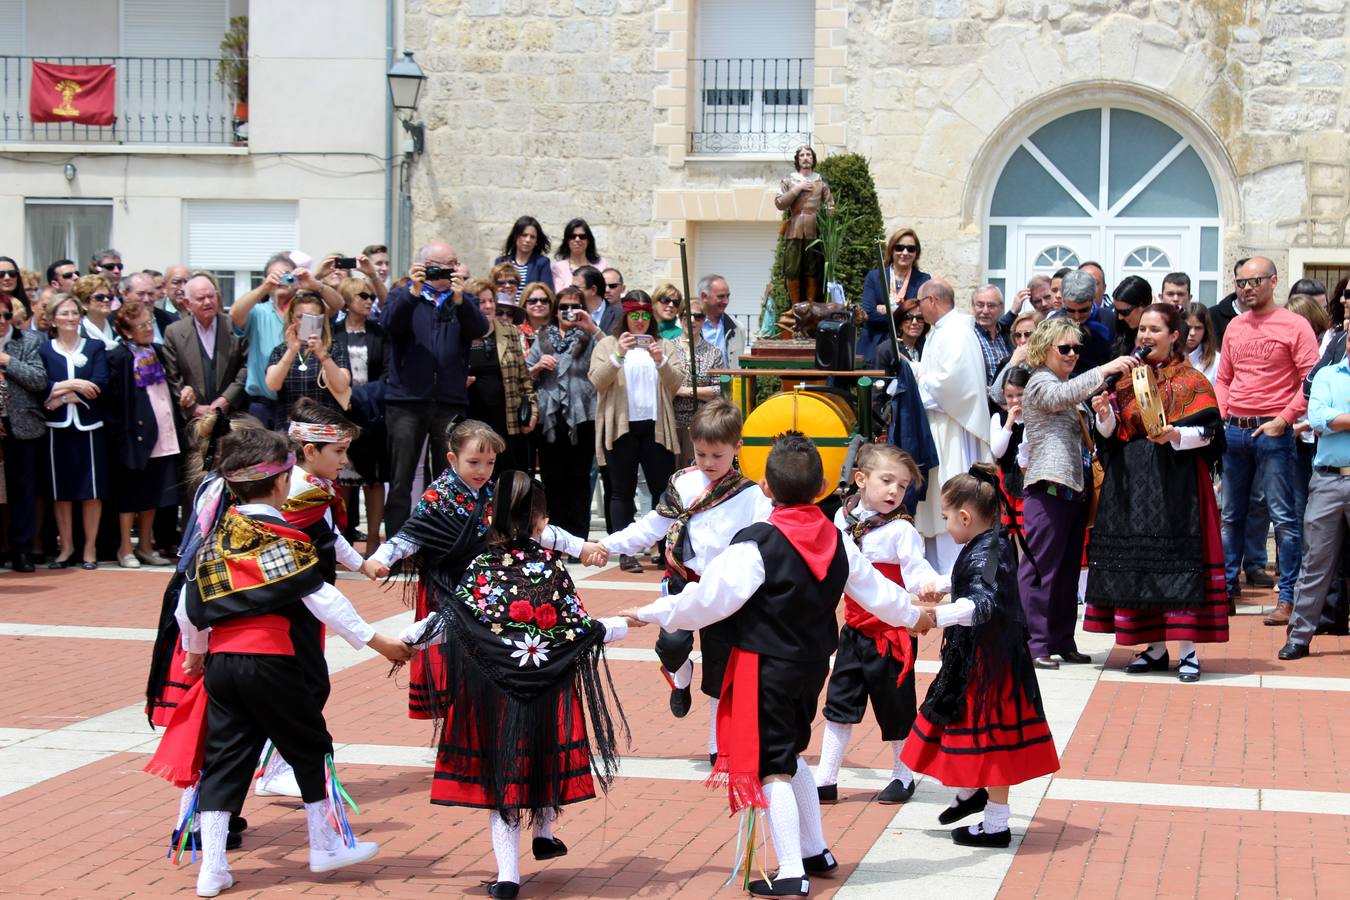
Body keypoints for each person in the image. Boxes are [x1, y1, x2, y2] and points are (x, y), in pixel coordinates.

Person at [622, 433, 935, 898]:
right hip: (811, 667)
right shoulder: (838, 539)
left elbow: (707, 602)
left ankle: (791, 871)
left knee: (773, 768)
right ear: (826, 484)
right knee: (789, 754)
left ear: (765, 487)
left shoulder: (756, 544)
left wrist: (650, 613)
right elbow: (877, 592)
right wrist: (915, 616)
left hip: (764, 668)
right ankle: (815, 850)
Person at [165, 428, 411, 897]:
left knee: (224, 761)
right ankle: (325, 845)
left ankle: (212, 867)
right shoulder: (284, 539)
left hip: (222, 663)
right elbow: (323, 598)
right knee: (310, 746)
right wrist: (380, 642)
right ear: (280, 483)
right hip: (271, 661)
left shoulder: (216, 539)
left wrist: (196, 656)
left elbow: (187, 609)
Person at [399, 471, 634, 900]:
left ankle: (508, 875)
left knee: (503, 777)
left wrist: (406, 642)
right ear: (541, 520)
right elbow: (576, 627)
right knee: (543, 756)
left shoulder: (483, 565)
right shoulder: (550, 566)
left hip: (495, 691)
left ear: (493, 516)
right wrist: (622, 626)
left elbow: (453, 617)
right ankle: (543, 832)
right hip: (545, 688)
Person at [594, 400, 770, 752]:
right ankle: (680, 674)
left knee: (721, 670)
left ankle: (716, 742)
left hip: (723, 591)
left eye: (717, 456)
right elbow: (650, 528)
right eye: (701, 453)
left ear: (738, 448)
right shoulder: (683, 483)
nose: (707, 463)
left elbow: (766, 544)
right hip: (682, 579)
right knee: (671, 647)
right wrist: (605, 545)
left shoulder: (752, 496)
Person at [900, 466, 1060, 848]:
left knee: (993, 744)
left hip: (990, 670)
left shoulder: (987, 552)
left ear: (966, 517)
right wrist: (941, 585)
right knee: (982, 739)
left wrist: (935, 616)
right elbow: (973, 582)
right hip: (986, 661)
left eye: (946, 517)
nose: (947, 525)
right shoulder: (993, 542)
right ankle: (973, 796)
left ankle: (995, 825)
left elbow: (982, 604)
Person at [1084, 304, 1228, 683]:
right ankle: (1154, 647)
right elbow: (1111, 435)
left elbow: (1211, 434)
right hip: (1132, 481)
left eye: (1154, 330)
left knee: (1179, 559)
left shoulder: (1192, 380)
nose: (1145, 337)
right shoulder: (1125, 378)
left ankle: (1188, 652)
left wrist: (1177, 435)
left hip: (1177, 480)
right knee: (1140, 564)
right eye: (1142, 330)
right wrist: (1103, 413)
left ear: (1174, 335)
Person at [816, 444, 940, 806]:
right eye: (886, 481)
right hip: (853, 630)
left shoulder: (900, 529)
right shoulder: (843, 519)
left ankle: (904, 775)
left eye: (901, 486)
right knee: (839, 703)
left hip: (891, 635)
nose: (893, 492)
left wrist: (927, 586)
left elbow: (916, 568)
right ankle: (826, 776)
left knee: (896, 706)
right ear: (860, 479)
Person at [1019, 317, 1138, 669]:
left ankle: (1060, 639)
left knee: (1068, 570)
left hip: (1074, 486)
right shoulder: (1040, 382)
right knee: (1041, 568)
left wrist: (1102, 413)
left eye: (1076, 348)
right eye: (1065, 348)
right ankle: (1034, 642)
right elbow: (1061, 396)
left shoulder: (1069, 386)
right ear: (1044, 350)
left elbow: (1097, 429)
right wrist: (1106, 368)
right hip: (1047, 485)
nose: (1072, 354)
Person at [1215, 256, 1319, 626]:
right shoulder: (1234, 327)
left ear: (1273, 281)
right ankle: (1224, 591)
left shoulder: (1295, 325)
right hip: (1236, 430)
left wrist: (1284, 420)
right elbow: (1224, 376)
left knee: (1284, 518)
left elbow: (1311, 379)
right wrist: (1223, 414)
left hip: (1273, 431)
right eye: (1241, 282)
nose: (1247, 288)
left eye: (1255, 281)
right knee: (1230, 516)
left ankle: (1288, 597)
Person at [382, 242, 487, 538]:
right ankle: (398, 543)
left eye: (455, 264)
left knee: (449, 475)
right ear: (426, 265)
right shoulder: (404, 295)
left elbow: (478, 330)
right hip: (407, 401)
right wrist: (413, 291)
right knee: (401, 477)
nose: (451, 269)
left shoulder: (464, 300)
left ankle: (444, 539)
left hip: (448, 400)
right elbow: (390, 323)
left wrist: (459, 298)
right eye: (445, 264)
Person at [589, 290, 686, 573]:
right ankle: (624, 552)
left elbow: (676, 382)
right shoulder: (608, 344)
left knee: (662, 490)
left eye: (645, 315)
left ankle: (663, 548)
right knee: (621, 491)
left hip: (656, 428)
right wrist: (619, 354)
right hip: (621, 428)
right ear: (626, 316)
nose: (640, 321)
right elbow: (597, 381)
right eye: (635, 315)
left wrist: (661, 361)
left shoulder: (663, 345)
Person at [910, 279, 992, 573]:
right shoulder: (942, 331)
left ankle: (954, 570)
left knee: (952, 494)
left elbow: (953, 385)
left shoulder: (956, 332)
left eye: (919, 304)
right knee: (938, 500)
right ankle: (939, 569)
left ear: (932, 300)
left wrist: (918, 381)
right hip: (940, 425)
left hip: (953, 428)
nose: (918, 312)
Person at [1278, 337, 1350, 661]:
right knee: (1315, 563)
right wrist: (1331, 420)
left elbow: (1328, 421)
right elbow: (1318, 419)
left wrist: (1340, 420)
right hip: (1328, 479)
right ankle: (1299, 636)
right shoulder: (1327, 376)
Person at [106, 302, 181, 568]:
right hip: (133, 437)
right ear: (126, 330)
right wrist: (120, 440)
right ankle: (126, 547)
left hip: (162, 431)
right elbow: (114, 404)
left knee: (153, 494)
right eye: (141, 325)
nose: (148, 329)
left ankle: (147, 545)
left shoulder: (158, 351)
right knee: (130, 495)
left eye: (150, 323)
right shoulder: (118, 357)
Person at [229, 253, 342, 428]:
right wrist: (264, 288)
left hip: (298, 402)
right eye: (275, 276)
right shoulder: (258, 311)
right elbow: (235, 314)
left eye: (286, 275)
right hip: (263, 403)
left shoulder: (305, 312)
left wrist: (315, 284)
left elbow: (337, 304)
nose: (281, 280)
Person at [39, 293, 109, 569]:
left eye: (74, 313)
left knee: (91, 491)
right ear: (54, 318)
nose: (70, 318)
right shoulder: (45, 350)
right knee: (61, 492)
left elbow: (99, 383)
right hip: (57, 428)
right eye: (65, 313)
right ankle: (66, 548)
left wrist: (65, 392)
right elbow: (42, 385)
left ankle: (89, 549)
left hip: (89, 427)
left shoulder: (93, 347)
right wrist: (76, 386)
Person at [527, 286, 601, 540]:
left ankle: (577, 536)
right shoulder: (543, 336)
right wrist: (538, 366)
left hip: (583, 413)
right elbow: (524, 373)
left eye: (574, 306)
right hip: (549, 415)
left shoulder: (589, 336)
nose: (568, 312)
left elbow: (609, 356)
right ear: (555, 310)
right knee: (552, 476)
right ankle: (555, 535)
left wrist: (590, 326)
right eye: (563, 307)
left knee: (579, 477)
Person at [332, 276, 387, 553]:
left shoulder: (378, 332)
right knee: (342, 478)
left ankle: (374, 539)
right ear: (347, 301)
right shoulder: (334, 332)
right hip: (340, 412)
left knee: (373, 480)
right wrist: (345, 399)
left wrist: (363, 397)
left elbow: (388, 372)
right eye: (362, 296)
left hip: (372, 413)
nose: (369, 301)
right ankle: (341, 540)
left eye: (371, 297)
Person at [466, 279, 538, 473]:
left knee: (506, 479)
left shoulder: (510, 333)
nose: (488, 306)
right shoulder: (460, 333)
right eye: (482, 302)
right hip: (471, 419)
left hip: (506, 420)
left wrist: (532, 409)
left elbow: (524, 379)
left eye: (491, 301)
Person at [0, 288, 48, 572]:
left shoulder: (27, 340)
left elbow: (39, 379)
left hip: (20, 424)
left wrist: (9, 362)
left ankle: (22, 551)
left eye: (6, 315)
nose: (3, 321)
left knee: (23, 492)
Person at [163, 274, 249, 425]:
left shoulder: (234, 325)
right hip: (194, 422)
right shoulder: (174, 332)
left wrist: (227, 399)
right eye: (201, 299)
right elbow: (172, 376)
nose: (208, 302)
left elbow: (247, 366)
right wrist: (193, 408)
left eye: (211, 296)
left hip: (232, 418)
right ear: (187, 303)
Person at [264, 293, 352, 427]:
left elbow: (342, 385)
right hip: (289, 426)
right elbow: (272, 384)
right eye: (300, 317)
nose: (305, 322)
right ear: (292, 317)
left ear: (321, 319)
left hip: (326, 426)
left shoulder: (334, 348)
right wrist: (291, 351)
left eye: (312, 317)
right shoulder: (281, 350)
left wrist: (322, 354)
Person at [775, 145, 835, 306]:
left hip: (814, 231)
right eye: (802, 155)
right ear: (798, 159)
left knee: (812, 269)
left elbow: (830, 204)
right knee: (792, 270)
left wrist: (829, 213)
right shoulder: (789, 181)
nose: (805, 157)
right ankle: (795, 306)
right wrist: (798, 188)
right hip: (793, 229)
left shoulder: (821, 181)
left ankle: (810, 305)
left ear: (813, 158)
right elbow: (780, 203)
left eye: (808, 154)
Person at [860, 229, 930, 365]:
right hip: (874, 345)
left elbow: (925, 315)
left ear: (916, 253)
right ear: (892, 250)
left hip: (910, 348)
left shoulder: (923, 280)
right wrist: (904, 312)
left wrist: (889, 309)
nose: (905, 253)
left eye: (910, 249)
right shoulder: (874, 277)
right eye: (899, 248)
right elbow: (869, 316)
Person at [669, 297, 723, 465]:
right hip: (671, 421)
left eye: (698, 316)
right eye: (687, 315)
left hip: (700, 423)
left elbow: (717, 390)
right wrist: (701, 392)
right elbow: (664, 385)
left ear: (704, 319)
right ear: (680, 317)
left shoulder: (713, 352)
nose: (692, 320)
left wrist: (685, 391)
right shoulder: (668, 348)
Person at [991, 365, 1031, 532]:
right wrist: (1009, 423)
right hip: (1005, 478)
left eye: (1020, 395)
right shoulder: (998, 418)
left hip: (1029, 481)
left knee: (1027, 529)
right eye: (1010, 396)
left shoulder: (1036, 417)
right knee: (1006, 531)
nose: (1015, 400)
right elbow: (997, 451)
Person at [494, 216, 553, 295]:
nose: (528, 240)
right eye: (524, 235)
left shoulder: (542, 263)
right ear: (515, 237)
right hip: (505, 306)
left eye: (532, 237)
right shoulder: (501, 261)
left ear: (536, 241)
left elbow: (548, 292)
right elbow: (494, 289)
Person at [551, 217, 609, 292]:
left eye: (582, 236)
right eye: (572, 237)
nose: (577, 240)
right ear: (567, 241)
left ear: (588, 241)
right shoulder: (558, 268)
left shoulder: (602, 264)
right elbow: (559, 294)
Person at [698, 274, 743, 367]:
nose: (726, 301)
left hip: (729, 381)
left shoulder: (738, 328)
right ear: (704, 296)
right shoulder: (688, 327)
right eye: (721, 296)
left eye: (728, 296)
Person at [971, 285, 1011, 385]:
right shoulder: (968, 336)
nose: (985, 311)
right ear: (973, 306)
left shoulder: (1009, 335)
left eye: (991, 306)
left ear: (1001, 307)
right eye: (980, 305)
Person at [72, 274, 118, 351]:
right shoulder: (77, 333)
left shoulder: (118, 328)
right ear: (83, 303)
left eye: (109, 297)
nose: (106, 300)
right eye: (99, 297)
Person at [1109, 275, 1152, 356]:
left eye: (1124, 312)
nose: (1120, 317)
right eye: (1117, 311)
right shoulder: (1120, 332)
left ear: (1142, 305)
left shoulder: (1161, 334)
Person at [1186, 301, 1220, 382]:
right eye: (1188, 327)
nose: (1192, 333)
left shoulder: (1217, 361)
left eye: (1198, 328)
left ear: (1206, 330)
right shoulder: (1167, 358)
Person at [519, 281, 555, 351]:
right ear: (524, 305)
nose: (539, 304)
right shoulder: (515, 332)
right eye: (533, 301)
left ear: (550, 304)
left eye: (544, 300)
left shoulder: (559, 331)